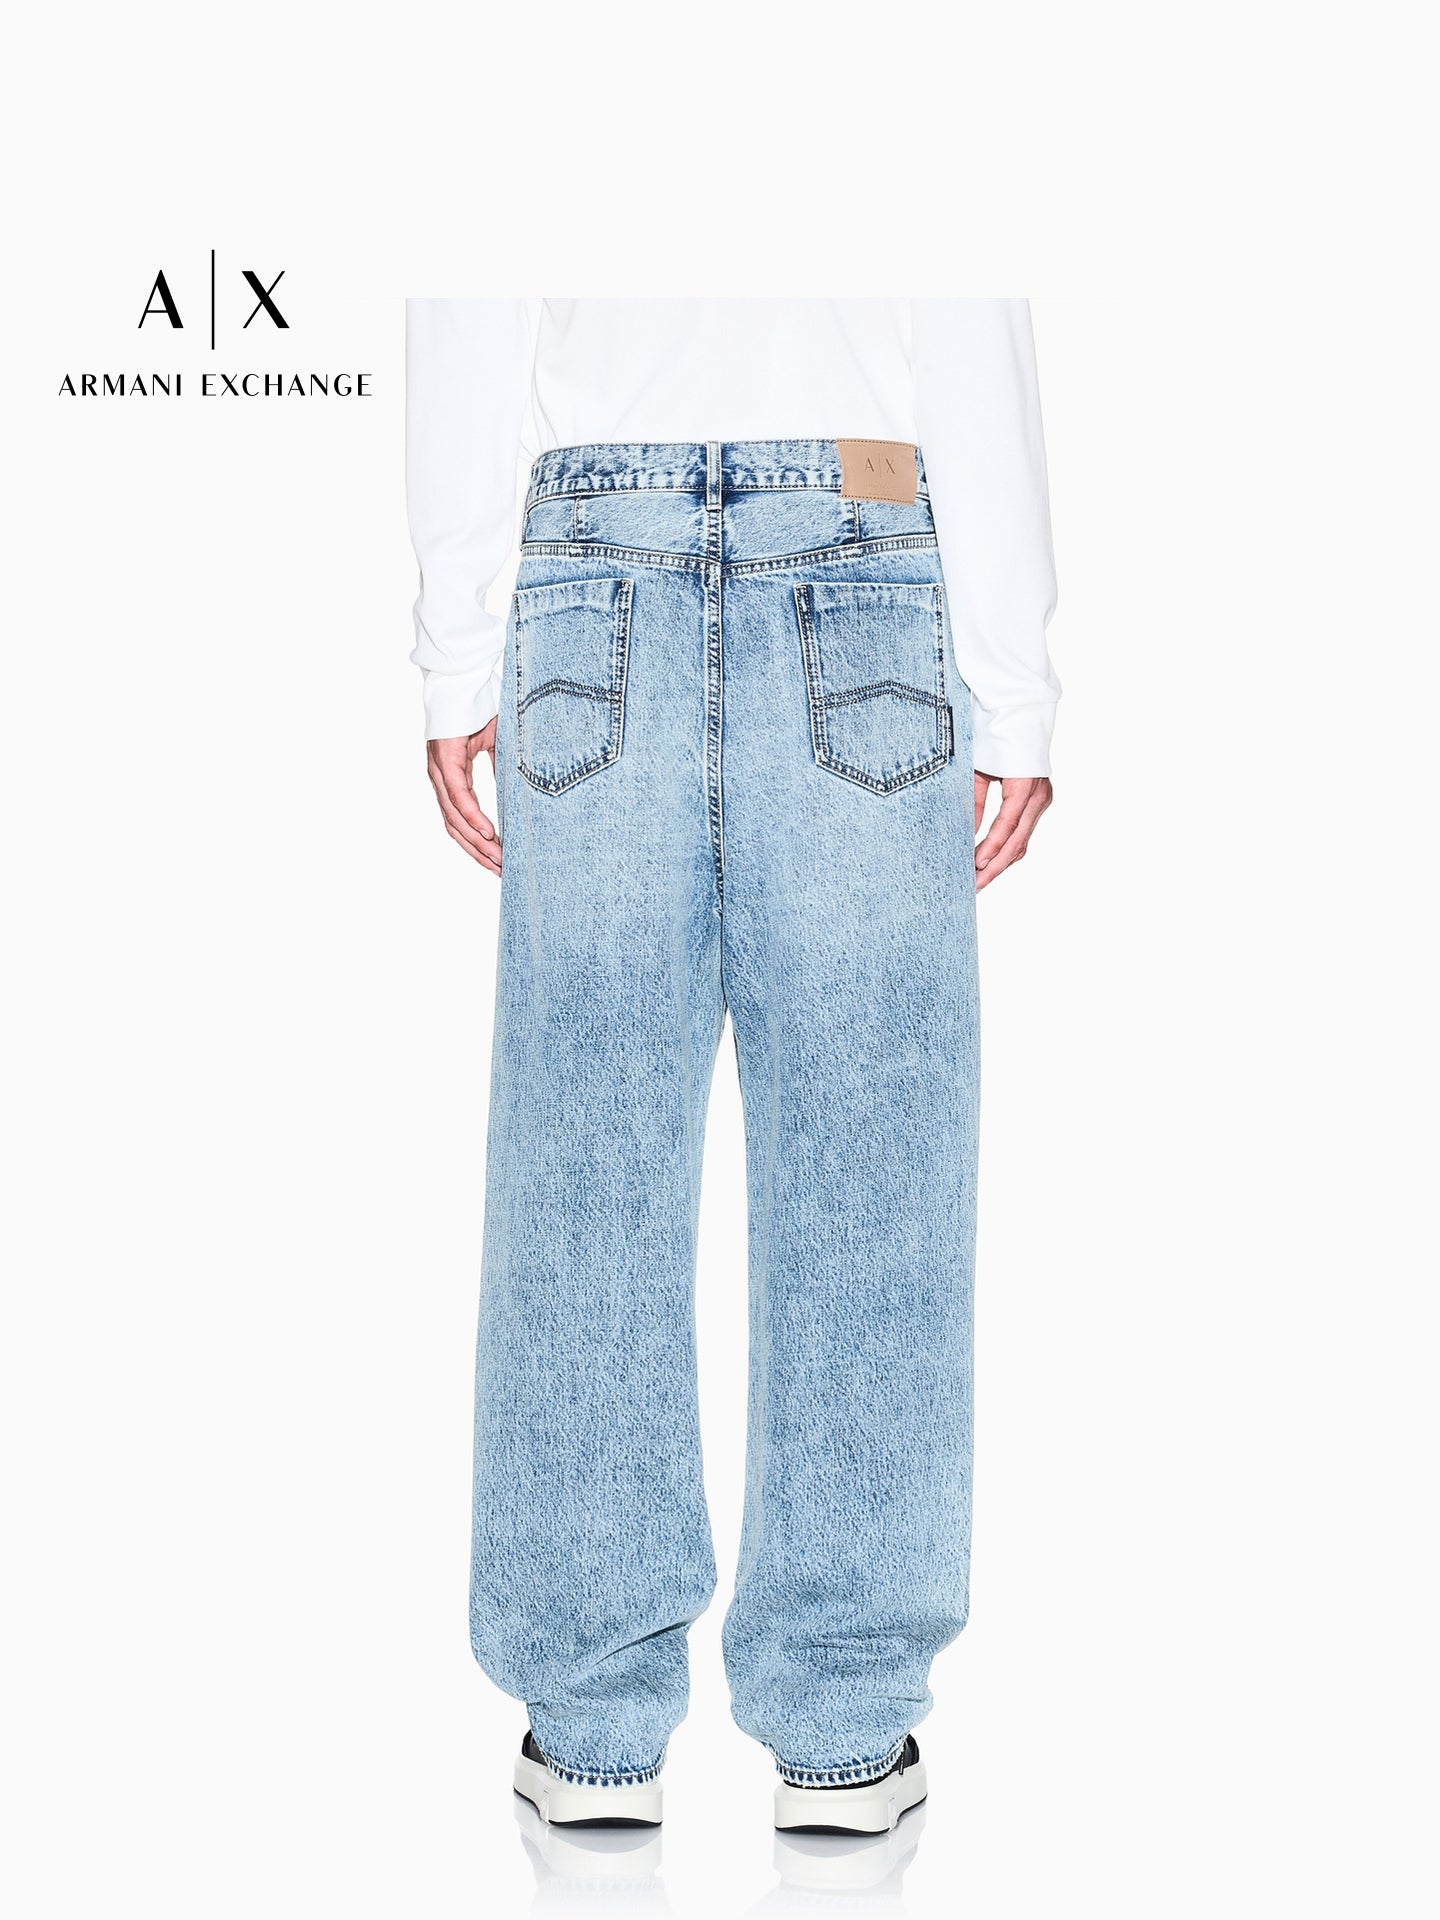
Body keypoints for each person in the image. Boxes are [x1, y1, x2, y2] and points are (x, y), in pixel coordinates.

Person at [405, 298, 1058, 1836]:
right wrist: (1015, 680)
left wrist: (453, 656)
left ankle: (589, 1733)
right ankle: (843, 1734)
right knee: (873, 1172)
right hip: (863, 542)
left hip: (591, 563)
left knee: (584, 1172)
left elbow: (466, 301)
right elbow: (970, 313)